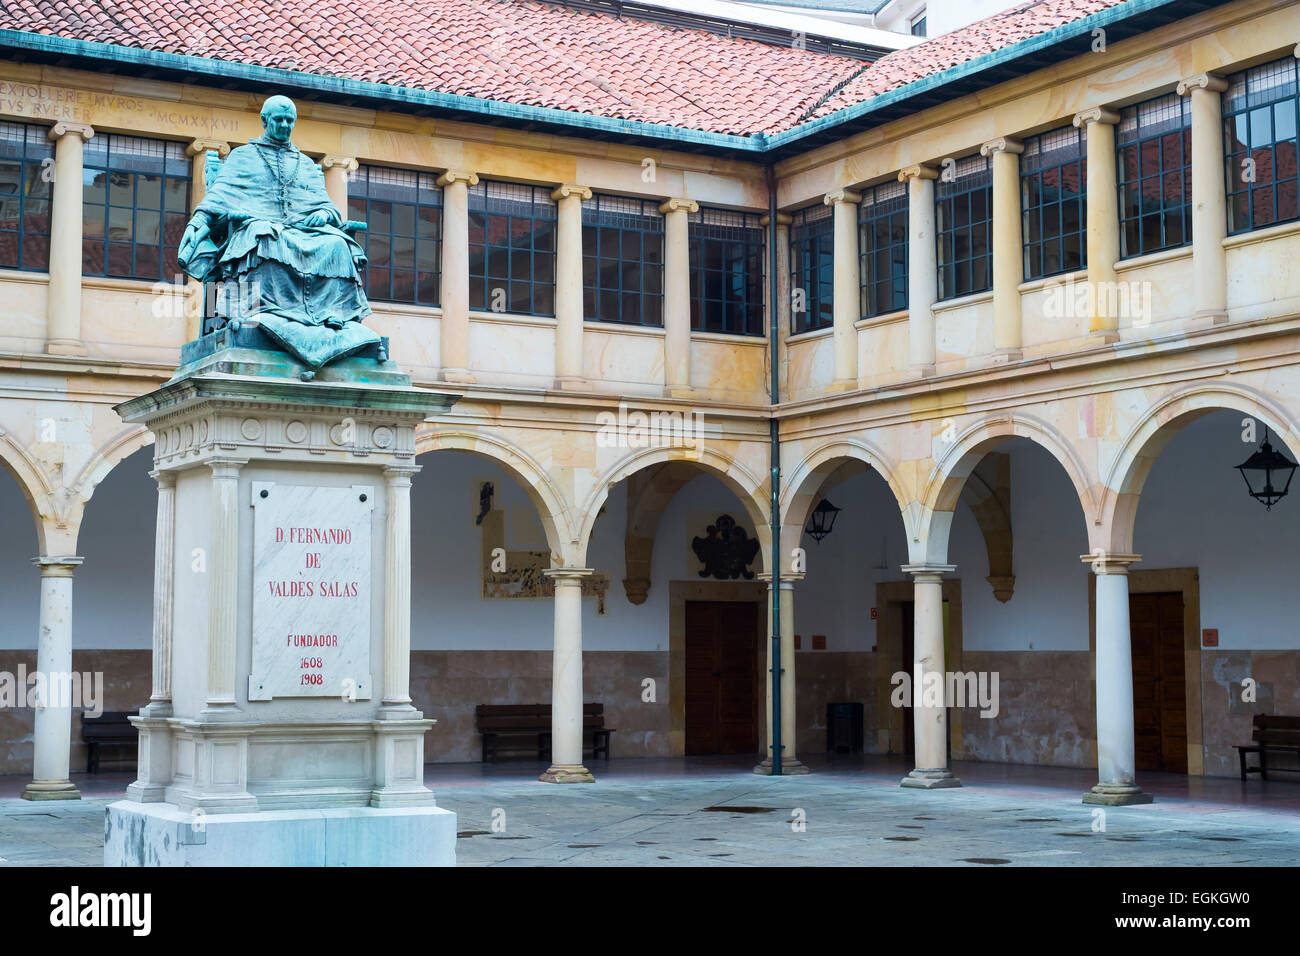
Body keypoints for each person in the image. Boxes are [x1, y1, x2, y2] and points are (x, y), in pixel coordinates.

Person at [178, 94, 380, 371]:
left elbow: (327, 208)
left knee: (337, 244)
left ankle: (334, 315)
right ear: (264, 121)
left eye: (290, 120)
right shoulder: (243, 157)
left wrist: (322, 215)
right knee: (263, 235)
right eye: (279, 119)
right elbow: (218, 199)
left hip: (303, 229)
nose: (284, 125)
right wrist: (197, 223)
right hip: (258, 225)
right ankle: (263, 312)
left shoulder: (306, 164)